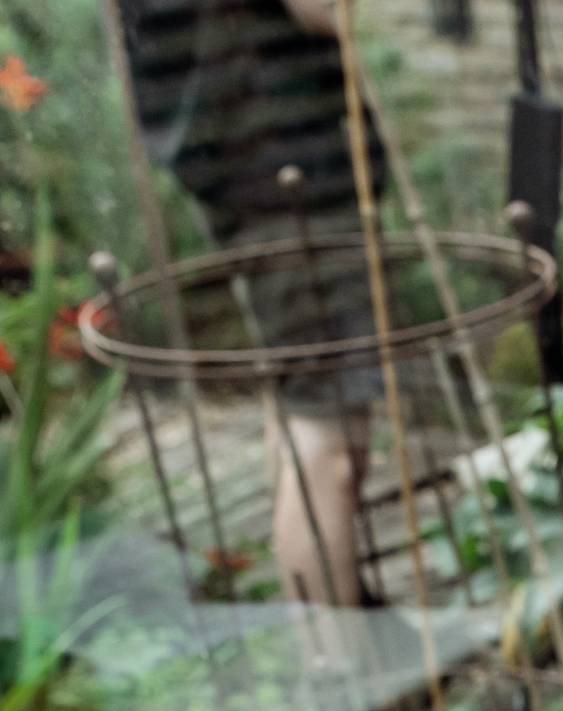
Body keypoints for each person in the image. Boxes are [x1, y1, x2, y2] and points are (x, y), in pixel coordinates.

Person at [122, 0, 387, 605]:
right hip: (288, 172)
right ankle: (336, 668)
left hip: (238, 160)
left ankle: (327, 642)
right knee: (331, 443)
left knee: (302, 405)